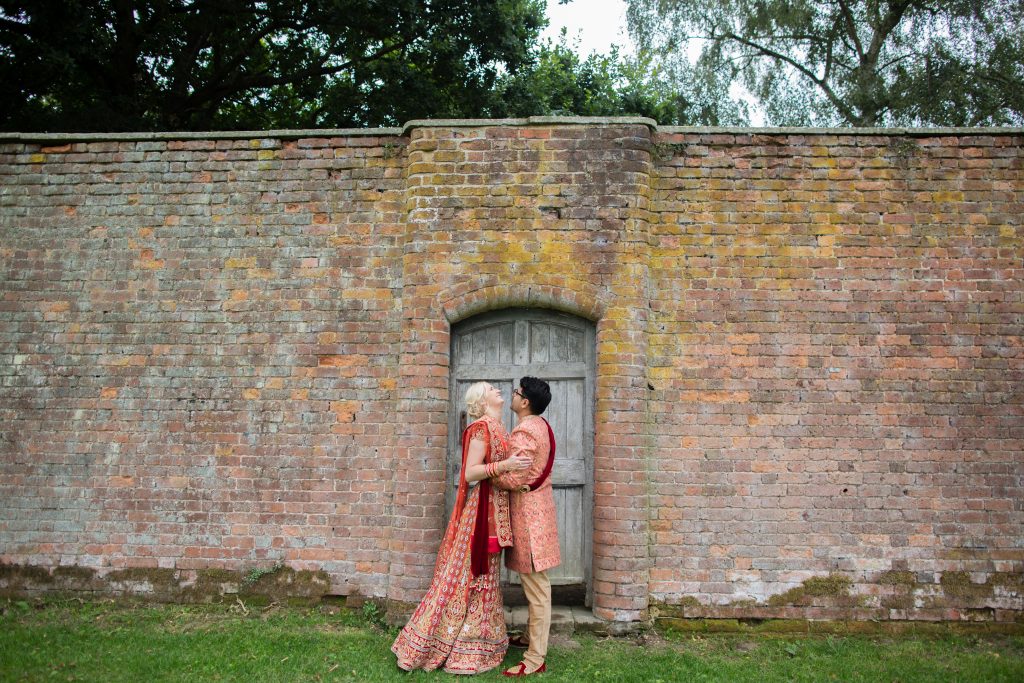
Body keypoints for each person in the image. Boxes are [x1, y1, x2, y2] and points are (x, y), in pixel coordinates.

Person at [392, 382, 532, 674]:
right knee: (467, 576)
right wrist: (506, 465)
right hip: (480, 513)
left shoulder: (499, 426)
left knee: (487, 577)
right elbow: (470, 473)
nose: (498, 390)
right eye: (491, 389)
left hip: (496, 509)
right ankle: (443, 643)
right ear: (481, 400)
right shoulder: (480, 428)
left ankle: (481, 642)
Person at [493, 376, 559, 678]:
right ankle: (532, 639)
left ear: (526, 402)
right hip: (537, 509)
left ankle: (535, 658)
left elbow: (514, 476)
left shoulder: (525, 431)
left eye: (517, 392)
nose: (513, 395)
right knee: (535, 583)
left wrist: (490, 475)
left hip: (531, 517)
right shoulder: (541, 426)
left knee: (536, 588)